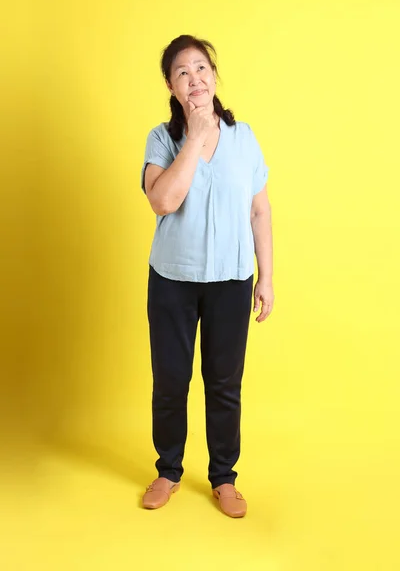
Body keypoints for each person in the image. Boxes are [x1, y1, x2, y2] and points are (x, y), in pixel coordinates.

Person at [140, 35, 274, 518]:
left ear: (214, 76)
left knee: (224, 382)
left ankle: (224, 477)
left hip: (232, 280)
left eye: (201, 67)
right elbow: (163, 201)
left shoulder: (245, 138)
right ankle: (168, 470)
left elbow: (259, 209)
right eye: (182, 72)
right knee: (171, 381)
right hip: (173, 280)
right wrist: (194, 137)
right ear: (172, 86)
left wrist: (267, 277)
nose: (194, 77)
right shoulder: (163, 138)